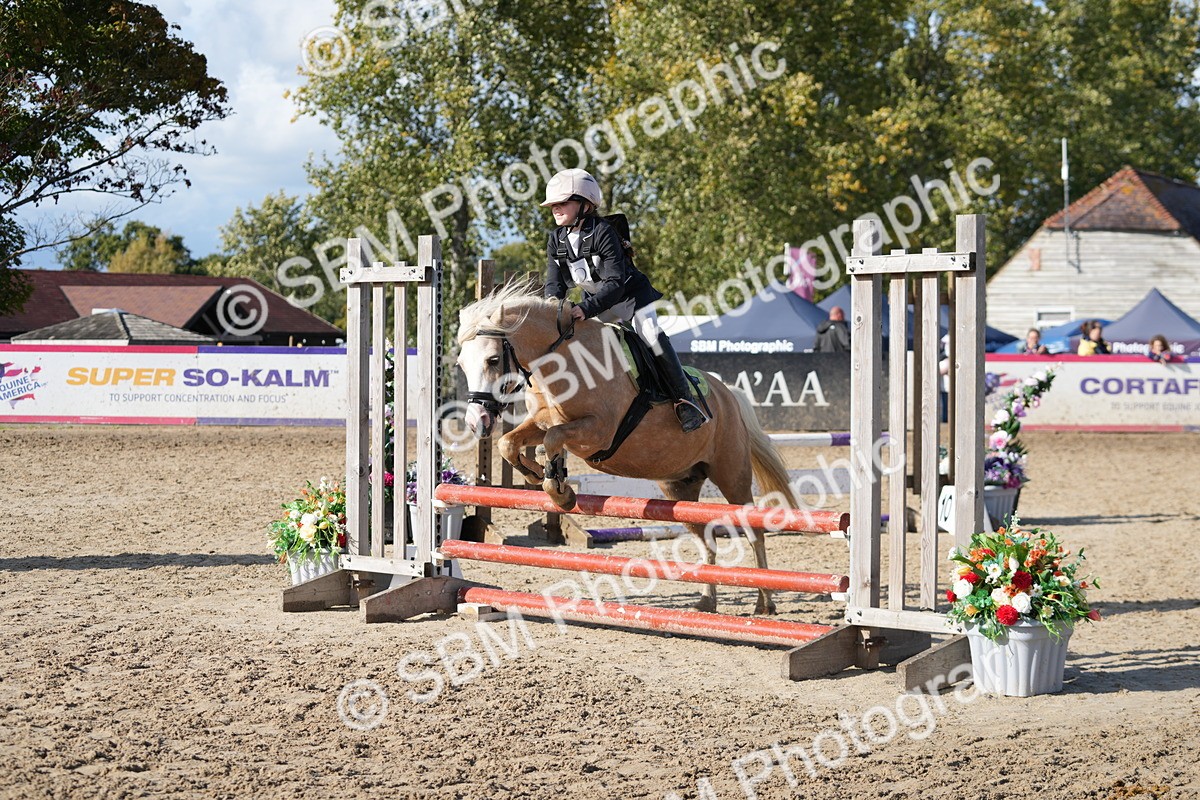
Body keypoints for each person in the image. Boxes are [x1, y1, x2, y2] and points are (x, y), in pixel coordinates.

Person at [541, 168, 708, 432]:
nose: (555, 209)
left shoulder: (603, 232)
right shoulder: (556, 239)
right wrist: (553, 307)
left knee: (650, 333)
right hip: (596, 303)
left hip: (630, 298)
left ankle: (683, 399)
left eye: (563, 203)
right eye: (553, 205)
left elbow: (615, 283)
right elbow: (555, 283)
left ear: (585, 204)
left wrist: (584, 308)